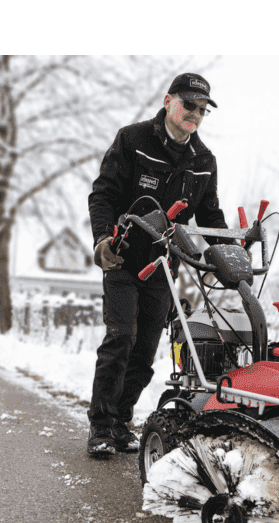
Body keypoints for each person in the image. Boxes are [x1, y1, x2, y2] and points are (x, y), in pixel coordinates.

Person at [86, 72, 227, 456]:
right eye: (188, 105)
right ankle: (100, 426)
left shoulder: (203, 161)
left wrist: (227, 255)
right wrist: (102, 241)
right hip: (123, 256)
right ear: (168, 102)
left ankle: (120, 420)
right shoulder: (133, 140)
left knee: (146, 350)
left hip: (164, 264)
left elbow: (210, 217)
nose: (195, 114)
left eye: (202, 110)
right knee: (121, 338)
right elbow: (102, 195)